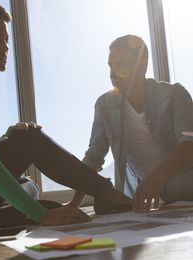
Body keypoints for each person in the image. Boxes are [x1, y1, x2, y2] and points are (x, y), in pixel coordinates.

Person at [0, 0, 132, 236]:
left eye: (6, 40)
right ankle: (110, 194)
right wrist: (40, 215)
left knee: (28, 186)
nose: (5, 47)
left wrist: (3, 140)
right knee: (29, 139)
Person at [69, 34, 193, 213]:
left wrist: (156, 177)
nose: (112, 74)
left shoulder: (175, 95)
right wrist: (74, 205)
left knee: (175, 188)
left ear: (142, 64)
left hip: (185, 178)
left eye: (121, 65)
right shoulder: (104, 106)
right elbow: (93, 157)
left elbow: (188, 145)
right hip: (150, 191)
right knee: (103, 205)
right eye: (110, 66)